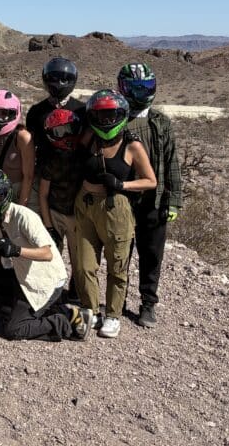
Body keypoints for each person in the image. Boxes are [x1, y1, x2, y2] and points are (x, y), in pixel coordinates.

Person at [74, 90, 157, 338]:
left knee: (116, 265)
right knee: (84, 264)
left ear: (122, 115)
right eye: (100, 114)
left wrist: (122, 185)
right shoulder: (89, 137)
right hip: (85, 204)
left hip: (115, 207)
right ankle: (90, 309)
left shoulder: (132, 145)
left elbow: (150, 180)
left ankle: (112, 314)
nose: (106, 120)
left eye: (111, 114)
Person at [0, 169, 87, 341]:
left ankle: (64, 320)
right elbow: (0, 259)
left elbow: (47, 253)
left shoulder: (24, 216)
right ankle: (34, 310)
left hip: (44, 279)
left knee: (15, 330)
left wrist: (16, 250)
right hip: (21, 274)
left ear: (3, 195)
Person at [117, 63, 183, 328]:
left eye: (146, 87)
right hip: (123, 199)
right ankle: (116, 299)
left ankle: (147, 304)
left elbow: (171, 163)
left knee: (152, 254)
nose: (141, 92)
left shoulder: (161, 122)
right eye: (135, 88)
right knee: (120, 252)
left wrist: (174, 199)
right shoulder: (116, 118)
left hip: (153, 202)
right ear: (123, 88)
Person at [25, 57, 85, 217]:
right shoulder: (36, 112)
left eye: (64, 79)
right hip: (44, 178)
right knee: (46, 230)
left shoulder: (82, 110)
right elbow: (29, 148)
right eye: (54, 78)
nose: (59, 83)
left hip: (76, 178)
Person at [37, 107, 84, 301]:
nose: (66, 135)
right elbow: (43, 194)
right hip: (56, 212)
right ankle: (52, 289)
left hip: (76, 213)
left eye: (69, 128)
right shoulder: (51, 160)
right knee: (53, 256)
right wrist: (48, 226)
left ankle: (76, 289)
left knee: (78, 258)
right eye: (60, 131)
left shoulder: (83, 155)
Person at [0, 89, 34, 207]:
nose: (0, 118)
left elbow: (28, 176)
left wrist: (21, 207)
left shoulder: (22, 137)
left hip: (24, 191)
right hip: (2, 190)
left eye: (5, 113)